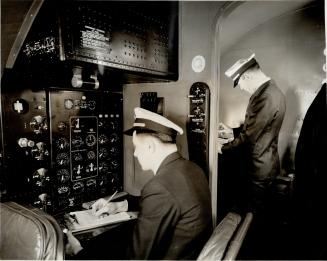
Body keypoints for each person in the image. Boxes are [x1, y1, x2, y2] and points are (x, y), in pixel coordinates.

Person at [66, 107, 212, 260]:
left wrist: (78, 252)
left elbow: (137, 257)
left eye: (136, 147)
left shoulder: (160, 187)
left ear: (150, 146)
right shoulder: (193, 169)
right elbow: (166, 202)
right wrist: (117, 206)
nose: (135, 154)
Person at [218, 53, 286, 218]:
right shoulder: (274, 90)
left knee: (252, 219)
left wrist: (221, 148)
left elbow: (249, 139)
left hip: (257, 170)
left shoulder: (264, 96)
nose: (241, 87)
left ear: (247, 76)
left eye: (239, 83)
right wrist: (231, 131)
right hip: (267, 164)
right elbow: (262, 129)